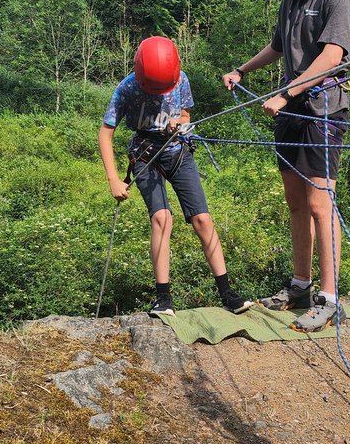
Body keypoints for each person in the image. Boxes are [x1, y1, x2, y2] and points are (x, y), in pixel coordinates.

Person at [222, 0, 350, 332]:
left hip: (323, 109)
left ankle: (329, 298)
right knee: (296, 201)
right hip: (290, 110)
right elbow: (278, 46)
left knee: (320, 203)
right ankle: (300, 285)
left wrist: (287, 93)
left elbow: (331, 56)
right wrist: (242, 70)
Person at [100, 35, 251, 318]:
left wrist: (178, 122)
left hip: (177, 151)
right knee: (162, 218)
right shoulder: (126, 89)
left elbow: (184, 114)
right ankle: (163, 298)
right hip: (144, 154)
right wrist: (113, 179)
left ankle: (228, 294)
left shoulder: (180, 78)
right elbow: (106, 132)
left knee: (202, 219)